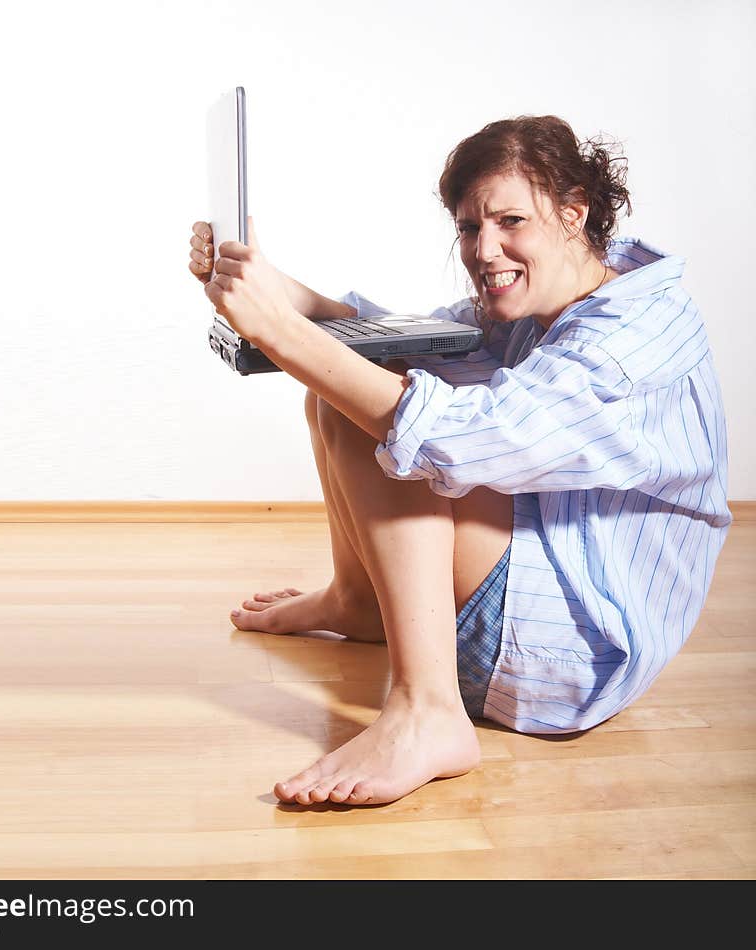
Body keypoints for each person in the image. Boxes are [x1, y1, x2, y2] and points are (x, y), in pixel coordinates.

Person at [187, 114, 731, 807]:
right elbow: (401, 341)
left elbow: (460, 436)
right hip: (527, 608)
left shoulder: (634, 337)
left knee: (386, 423)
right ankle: (361, 603)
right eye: (470, 229)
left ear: (573, 213)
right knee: (356, 380)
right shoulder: (547, 298)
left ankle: (429, 710)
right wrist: (264, 286)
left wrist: (283, 332)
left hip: (569, 655)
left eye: (511, 222)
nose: (485, 248)